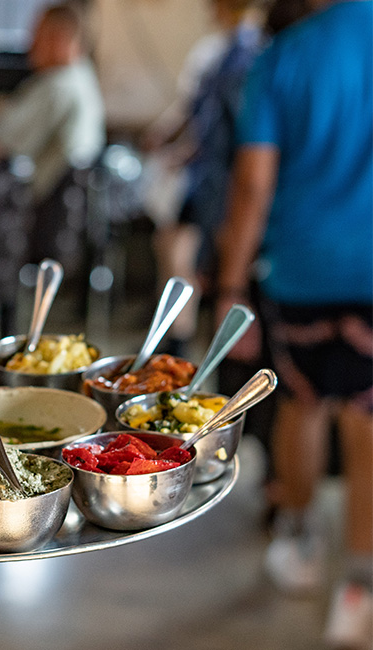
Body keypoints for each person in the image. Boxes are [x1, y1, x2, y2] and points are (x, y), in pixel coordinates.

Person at [215, 0, 372, 645]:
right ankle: (360, 585)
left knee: (302, 404)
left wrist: (230, 284)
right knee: (369, 420)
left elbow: (253, 185)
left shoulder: (282, 58)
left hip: (301, 271)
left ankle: (299, 541)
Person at [142, 0, 265, 357]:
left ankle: (199, 349)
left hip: (227, 182)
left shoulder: (250, 55)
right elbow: (200, 117)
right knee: (176, 252)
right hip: (205, 177)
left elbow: (239, 136)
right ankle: (177, 342)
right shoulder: (219, 53)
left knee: (216, 267)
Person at [0, 3, 105, 206]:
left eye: (38, 34)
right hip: (68, 204)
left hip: (38, 203)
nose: (31, 43)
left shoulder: (57, 86)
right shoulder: (84, 76)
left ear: (60, 39)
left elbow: (1, 146)